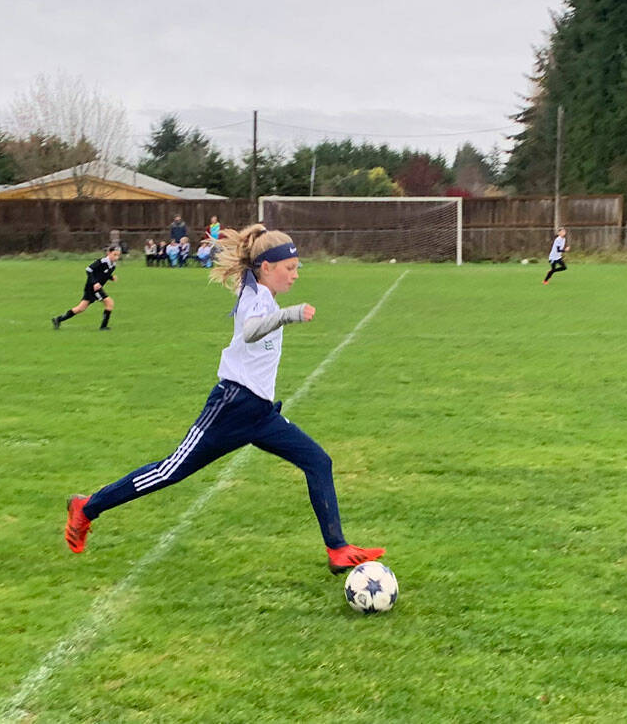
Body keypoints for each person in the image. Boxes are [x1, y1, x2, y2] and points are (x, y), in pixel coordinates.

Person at [63, 223, 386, 574]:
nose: (295, 275)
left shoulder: (264, 295)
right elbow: (250, 331)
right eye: (289, 268)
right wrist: (290, 314)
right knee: (169, 471)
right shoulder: (252, 298)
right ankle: (86, 507)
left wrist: (282, 312)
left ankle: (337, 549)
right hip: (231, 406)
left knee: (318, 461)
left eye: (297, 268)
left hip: (261, 414)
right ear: (266, 267)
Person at [51, 246, 120, 331]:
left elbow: (101, 274)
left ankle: (58, 319)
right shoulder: (101, 261)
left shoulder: (113, 265)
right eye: (114, 255)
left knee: (81, 308)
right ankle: (103, 327)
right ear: (108, 253)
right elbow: (88, 270)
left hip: (93, 288)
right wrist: (95, 283)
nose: (116, 257)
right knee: (109, 303)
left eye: (118, 255)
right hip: (92, 288)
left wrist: (111, 277)